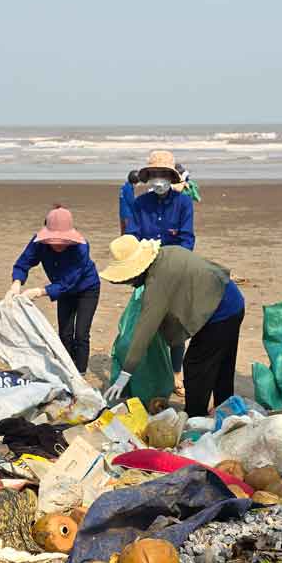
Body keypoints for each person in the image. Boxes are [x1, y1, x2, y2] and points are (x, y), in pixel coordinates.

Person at [99, 235, 244, 418]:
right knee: (222, 364)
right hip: (231, 299)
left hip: (220, 310)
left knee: (196, 366)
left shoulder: (157, 281)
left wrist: (126, 373)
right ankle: (227, 411)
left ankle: (194, 416)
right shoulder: (165, 254)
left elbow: (145, 328)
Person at [124, 150, 196, 396]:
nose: (158, 179)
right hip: (146, 271)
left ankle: (176, 372)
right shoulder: (140, 203)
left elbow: (187, 239)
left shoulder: (184, 203)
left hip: (175, 271)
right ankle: (150, 369)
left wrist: (170, 261)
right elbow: (132, 234)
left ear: (171, 176)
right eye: (153, 174)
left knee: (176, 324)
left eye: (163, 174)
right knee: (146, 322)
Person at [8, 206, 101, 373]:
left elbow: (68, 282)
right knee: (64, 333)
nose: (58, 245)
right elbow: (23, 262)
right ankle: (66, 367)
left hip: (87, 289)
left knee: (81, 333)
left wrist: (38, 292)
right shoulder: (38, 243)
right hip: (64, 292)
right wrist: (16, 283)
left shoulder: (81, 247)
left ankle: (80, 372)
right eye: (53, 241)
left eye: (62, 241)